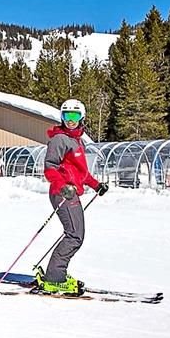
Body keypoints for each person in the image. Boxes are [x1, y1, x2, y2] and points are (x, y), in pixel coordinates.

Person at [35, 99, 109, 295]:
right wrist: (63, 186)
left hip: (72, 192)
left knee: (75, 234)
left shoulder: (77, 140)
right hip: (63, 193)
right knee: (75, 235)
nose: (71, 121)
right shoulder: (60, 139)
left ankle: (56, 273)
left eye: (75, 116)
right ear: (62, 117)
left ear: (81, 118)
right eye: (67, 116)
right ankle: (54, 277)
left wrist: (96, 185)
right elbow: (50, 168)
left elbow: (81, 172)